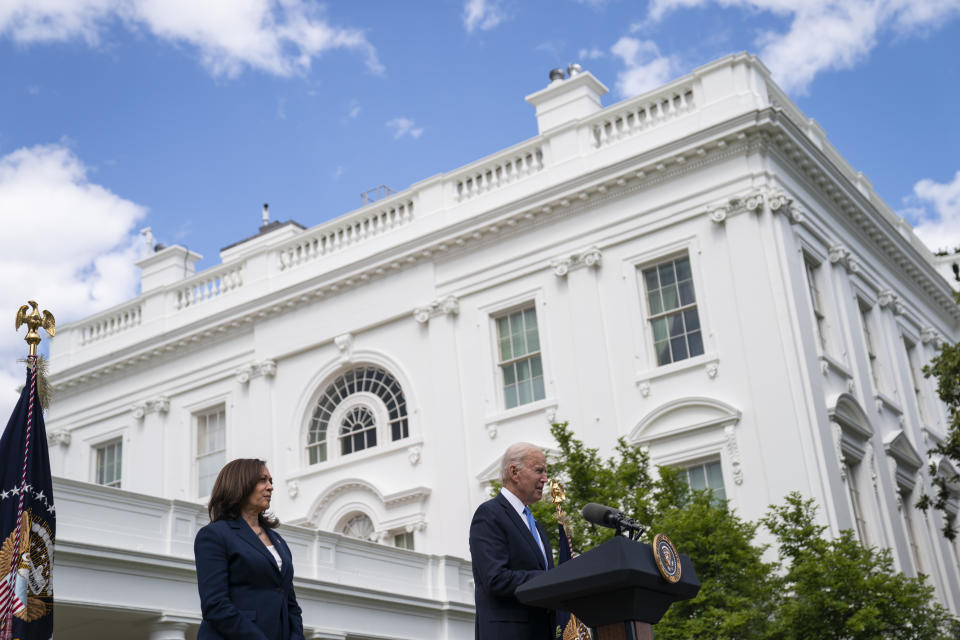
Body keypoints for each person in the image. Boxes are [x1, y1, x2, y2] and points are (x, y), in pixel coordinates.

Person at [194, 458, 305, 640]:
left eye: (271, 481)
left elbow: (290, 603)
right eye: (262, 480)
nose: (270, 487)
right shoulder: (214, 535)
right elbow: (215, 605)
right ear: (240, 484)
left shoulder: (278, 540)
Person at [469, 442, 554, 640]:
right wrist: (550, 579)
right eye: (539, 471)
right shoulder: (489, 515)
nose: (545, 479)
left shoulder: (537, 527)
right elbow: (496, 578)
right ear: (514, 472)